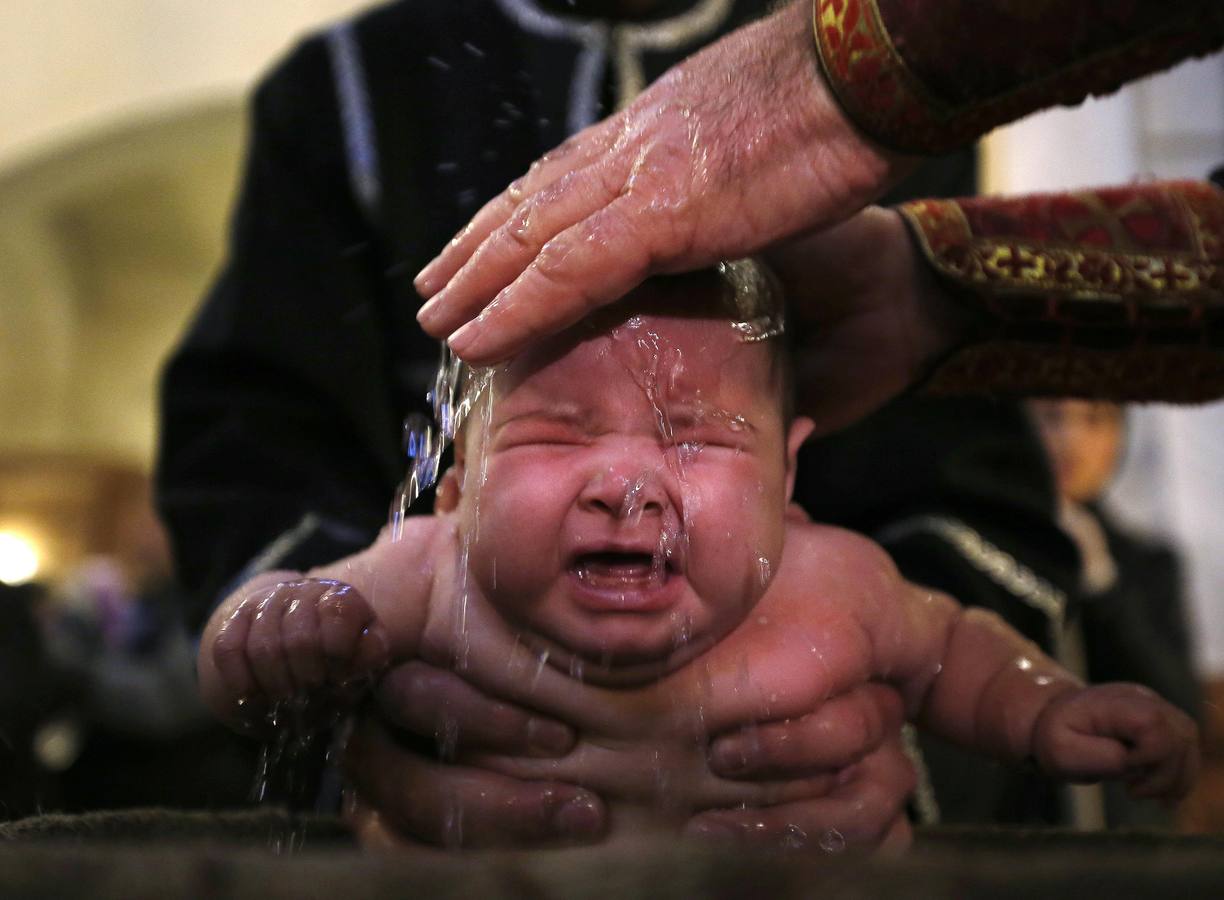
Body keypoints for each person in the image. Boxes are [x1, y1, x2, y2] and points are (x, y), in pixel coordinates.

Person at [198, 272, 1197, 842]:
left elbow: (956, 655)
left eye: (697, 437)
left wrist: (1049, 709)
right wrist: (270, 630)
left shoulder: (834, 588)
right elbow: (247, 671)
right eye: (557, 433)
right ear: (460, 475)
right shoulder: (420, 575)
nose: (627, 484)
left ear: (787, 475)